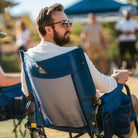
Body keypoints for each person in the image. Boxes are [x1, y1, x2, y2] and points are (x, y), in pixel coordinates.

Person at [21, 4, 137, 138]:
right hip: (86, 118)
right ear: (48, 29)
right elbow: (106, 86)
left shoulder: (28, 57)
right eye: (64, 24)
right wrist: (116, 78)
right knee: (132, 100)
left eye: (69, 23)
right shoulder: (74, 55)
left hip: (51, 119)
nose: (69, 27)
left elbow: (27, 91)